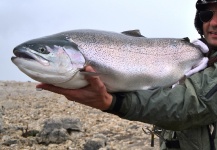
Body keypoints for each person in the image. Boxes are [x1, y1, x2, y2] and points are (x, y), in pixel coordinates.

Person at [36, 0, 217, 149]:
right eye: (207, 15)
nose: (214, 22)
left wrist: (115, 102)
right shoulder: (199, 60)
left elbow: (188, 105)